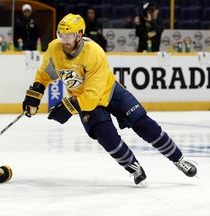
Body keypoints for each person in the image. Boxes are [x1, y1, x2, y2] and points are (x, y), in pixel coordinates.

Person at [22, 13, 197, 185]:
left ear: (80, 34)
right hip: (83, 98)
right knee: (106, 137)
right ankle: (133, 167)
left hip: (110, 92)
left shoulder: (94, 53)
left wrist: (69, 106)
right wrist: (35, 93)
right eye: (61, 35)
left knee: (144, 124)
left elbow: (92, 96)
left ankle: (178, 159)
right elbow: (45, 74)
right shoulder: (55, 49)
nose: (64, 40)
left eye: (68, 35)